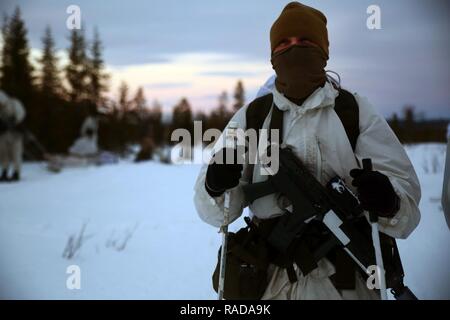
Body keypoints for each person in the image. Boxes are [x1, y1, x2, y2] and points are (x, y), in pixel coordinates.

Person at [193, 2, 421, 300]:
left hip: (345, 285)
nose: (294, 50)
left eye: (305, 41)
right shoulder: (252, 117)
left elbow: (407, 206)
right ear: (273, 55)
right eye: (284, 43)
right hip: (268, 286)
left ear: (323, 50)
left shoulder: (353, 111)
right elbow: (215, 213)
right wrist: (216, 185)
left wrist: (389, 200)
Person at [0, 90, 26, 182]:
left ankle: (16, 172)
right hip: (3, 134)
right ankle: (4, 171)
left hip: (16, 133)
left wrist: (15, 121)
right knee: (4, 154)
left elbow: (21, 114)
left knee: (16, 153)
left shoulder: (14, 103)